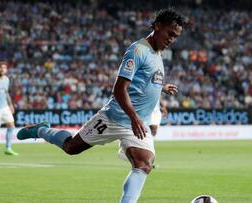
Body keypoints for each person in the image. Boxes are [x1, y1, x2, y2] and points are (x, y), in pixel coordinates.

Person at [17, 8, 188, 203]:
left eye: (175, 36)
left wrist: (161, 87)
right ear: (157, 26)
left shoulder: (157, 54)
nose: (172, 39)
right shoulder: (138, 50)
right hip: (114, 118)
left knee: (144, 164)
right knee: (72, 147)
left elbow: (144, 81)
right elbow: (119, 89)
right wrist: (133, 118)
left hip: (137, 124)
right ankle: (41, 131)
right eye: (170, 33)